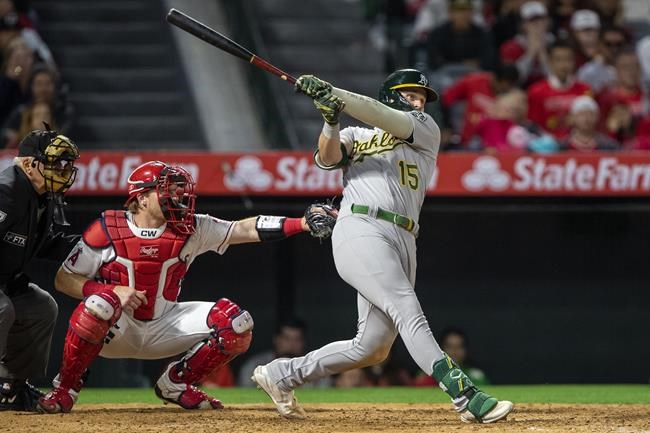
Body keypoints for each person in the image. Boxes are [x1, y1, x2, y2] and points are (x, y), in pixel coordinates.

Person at [251, 69, 513, 424]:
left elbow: (377, 112)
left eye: (422, 96)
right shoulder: (356, 133)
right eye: (411, 94)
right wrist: (330, 120)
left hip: (404, 237)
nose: (419, 101)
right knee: (407, 308)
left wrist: (332, 90)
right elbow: (327, 159)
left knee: (372, 347)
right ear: (392, 93)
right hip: (360, 225)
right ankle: (463, 394)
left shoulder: (424, 128)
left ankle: (283, 374)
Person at [36, 160, 334, 413]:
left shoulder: (192, 227)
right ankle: (67, 388)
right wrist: (111, 291)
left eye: (178, 189)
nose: (177, 195)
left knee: (238, 323)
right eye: (166, 189)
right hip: (117, 330)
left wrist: (302, 224)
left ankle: (176, 383)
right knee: (100, 303)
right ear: (141, 198)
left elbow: (242, 228)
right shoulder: (107, 228)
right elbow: (64, 280)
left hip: (166, 325)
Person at [0, 128, 80, 411]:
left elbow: (48, 244)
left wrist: (96, 245)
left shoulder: (42, 196)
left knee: (41, 306)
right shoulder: (5, 190)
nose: (64, 170)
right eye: (57, 162)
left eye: (67, 164)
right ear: (28, 164)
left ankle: (11, 387)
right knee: (2, 308)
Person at [527, 40, 592, 139]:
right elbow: (533, 125)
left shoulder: (585, 90)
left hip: (577, 145)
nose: (564, 65)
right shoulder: (536, 91)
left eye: (568, 59)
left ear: (574, 62)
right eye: (558, 60)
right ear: (550, 62)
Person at [237, 317, 308, 387]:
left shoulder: (312, 367)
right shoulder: (254, 366)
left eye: (297, 339)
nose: (292, 344)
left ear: (304, 342)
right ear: (276, 340)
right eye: (287, 338)